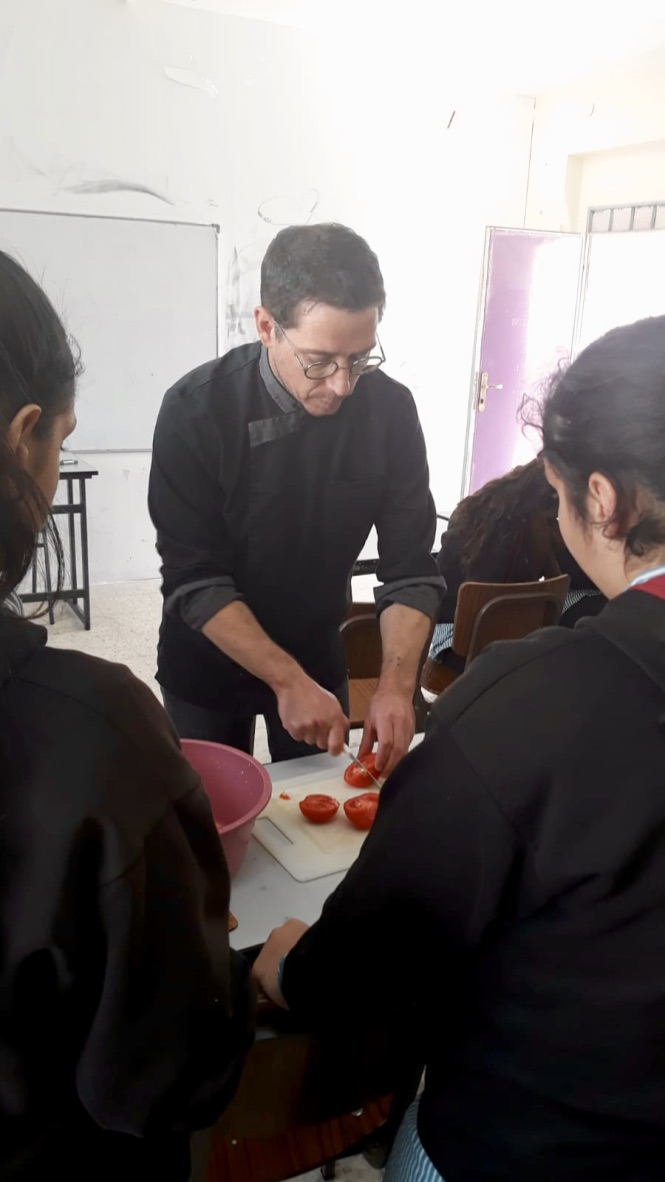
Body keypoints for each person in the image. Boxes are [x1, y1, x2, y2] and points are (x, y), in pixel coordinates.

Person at [253, 316, 665, 1181]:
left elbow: (385, 944)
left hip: (538, 1146)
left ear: (602, 500)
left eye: (555, 492)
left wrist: (297, 971)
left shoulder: (534, 702)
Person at [0, 250, 253, 1181]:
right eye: (61, 441)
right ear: (25, 436)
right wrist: (248, 981)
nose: (337, 381)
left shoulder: (382, 415)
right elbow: (165, 1068)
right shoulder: (92, 732)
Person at [149, 223, 443, 777]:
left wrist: (395, 687)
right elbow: (194, 579)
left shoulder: (390, 412)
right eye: (319, 360)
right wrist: (285, 680)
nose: (342, 385)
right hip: (207, 658)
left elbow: (409, 571)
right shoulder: (196, 410)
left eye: (360, 358)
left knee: (321, 806)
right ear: (266, 327)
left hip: (316, 645)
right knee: (210, 811)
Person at [431, 459, 606, 666]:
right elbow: (554, 589)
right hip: (457, 641)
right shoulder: (513, 539)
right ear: (539, 512)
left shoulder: (498, 513)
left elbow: (557, 581)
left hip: (463, 636)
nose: (558, 530)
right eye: (553, 520)